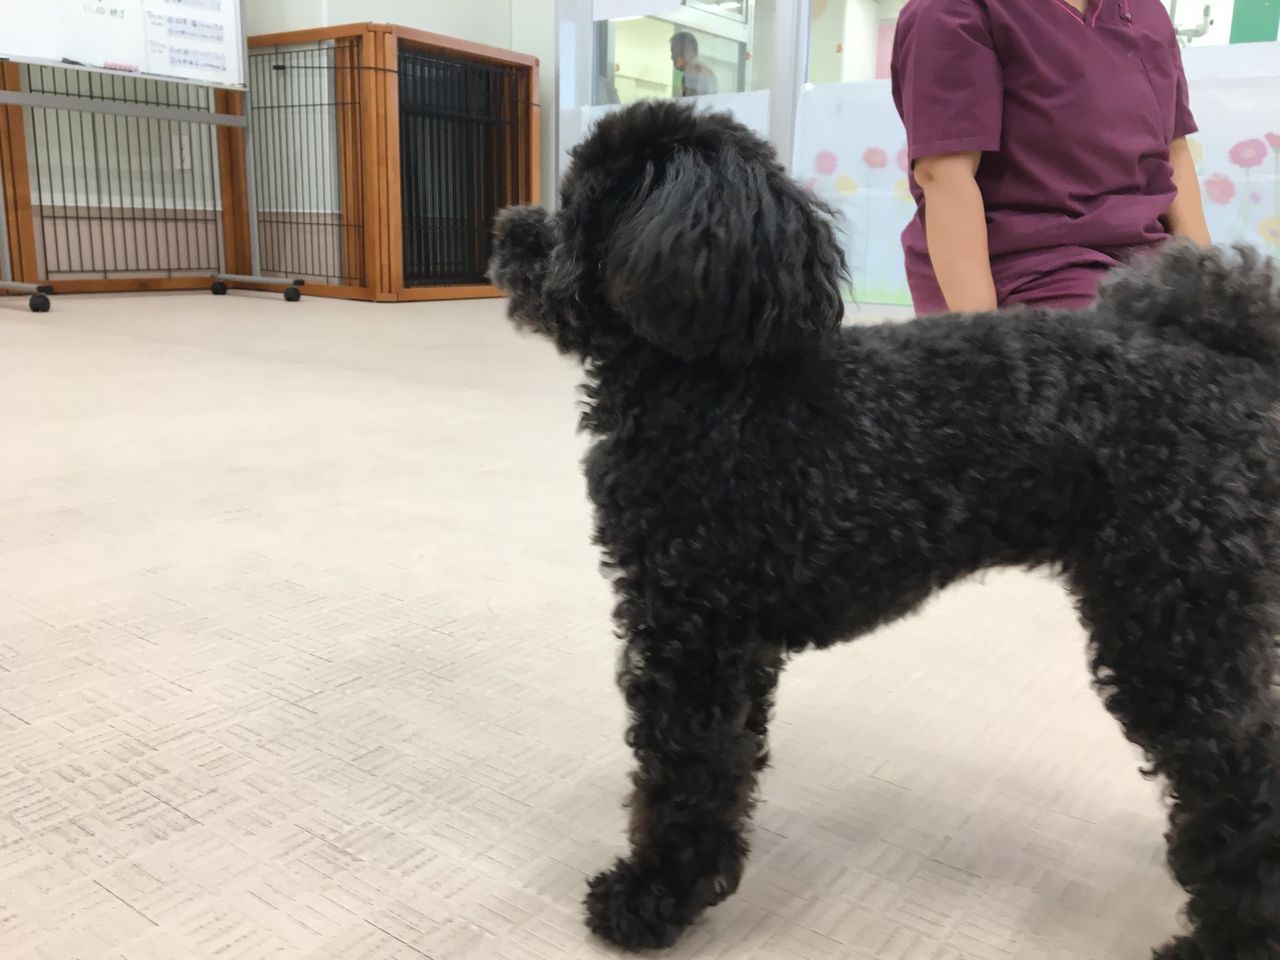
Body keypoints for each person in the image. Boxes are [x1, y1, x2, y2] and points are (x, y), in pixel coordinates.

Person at [891, 0, 1211, 315]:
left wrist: (1207, 286)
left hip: (1148, 266)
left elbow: (1175, 154)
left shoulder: (1145, 11)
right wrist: (982, 335)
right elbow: (944, 176)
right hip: (1030, 273)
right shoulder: (954, 10)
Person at [670, 32, 719, 98]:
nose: (672, 57)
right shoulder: (704, 71)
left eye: (674, 51)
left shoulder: (693, 72)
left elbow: (691, 102)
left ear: (686, 50)